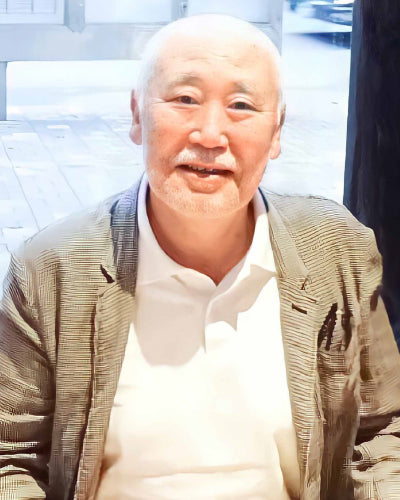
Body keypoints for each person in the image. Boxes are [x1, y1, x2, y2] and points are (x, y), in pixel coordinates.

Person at [1, 13, 400, 500]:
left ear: (277, 130)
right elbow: (10, 458)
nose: (210, 135)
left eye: (241, 105)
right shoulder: (51, 270)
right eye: (185, 99)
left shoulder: (336, 251)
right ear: (137, 115)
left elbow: (381, 432)